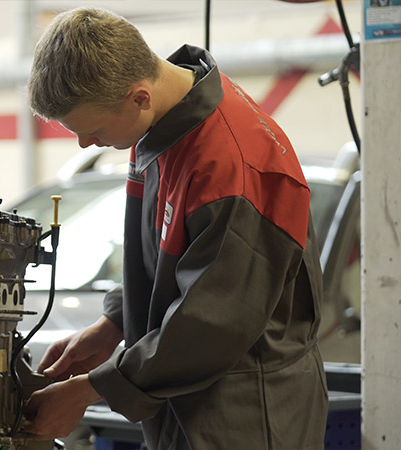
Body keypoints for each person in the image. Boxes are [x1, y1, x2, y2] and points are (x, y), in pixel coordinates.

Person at [22, 7, 328, 450]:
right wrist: (114, 324)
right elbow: (178, 260)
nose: (86, 143)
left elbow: (210, 325)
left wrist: (94, 388)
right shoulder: (159, 127)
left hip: (246, 420)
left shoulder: (233, 167)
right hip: (184, 406)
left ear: (139, 96)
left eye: (92, 129)